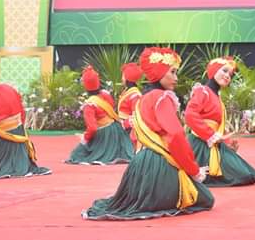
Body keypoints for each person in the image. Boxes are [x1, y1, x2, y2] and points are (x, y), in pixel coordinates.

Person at [83, 47, 214, 220]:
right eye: (172, 72)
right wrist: (194, 170)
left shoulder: (144, 99)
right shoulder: (162, 97)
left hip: (140, 163)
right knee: (205, 198)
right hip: (160, 164)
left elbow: (135, 136)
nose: (176, 78)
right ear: (160, 73)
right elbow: (175, 136)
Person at [185, 56, 255, 187]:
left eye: (230, 74)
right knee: (247, 175)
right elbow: (190, 115)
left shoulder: (216, 97)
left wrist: (228, 143)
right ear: (213, 71)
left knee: (251, 174)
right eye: (224, 71)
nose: (227, 76)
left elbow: (219, 127)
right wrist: (211, 135)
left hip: (214, 143)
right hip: (201, 145)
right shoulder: (202, 91)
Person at [67, 65, 134, 165]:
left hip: (105, 135)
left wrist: (84, 139)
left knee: (76, 155)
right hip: (117, 130)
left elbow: (92, 128)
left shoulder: (89, 105)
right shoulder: (106, 95)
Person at [116, 62, 142, 134]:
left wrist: (124, 125)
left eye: (123, 76)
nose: (121, 78)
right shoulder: (127, 91)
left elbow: (136, 117)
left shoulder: (135, 95)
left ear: (127, 78)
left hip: (129, 130)